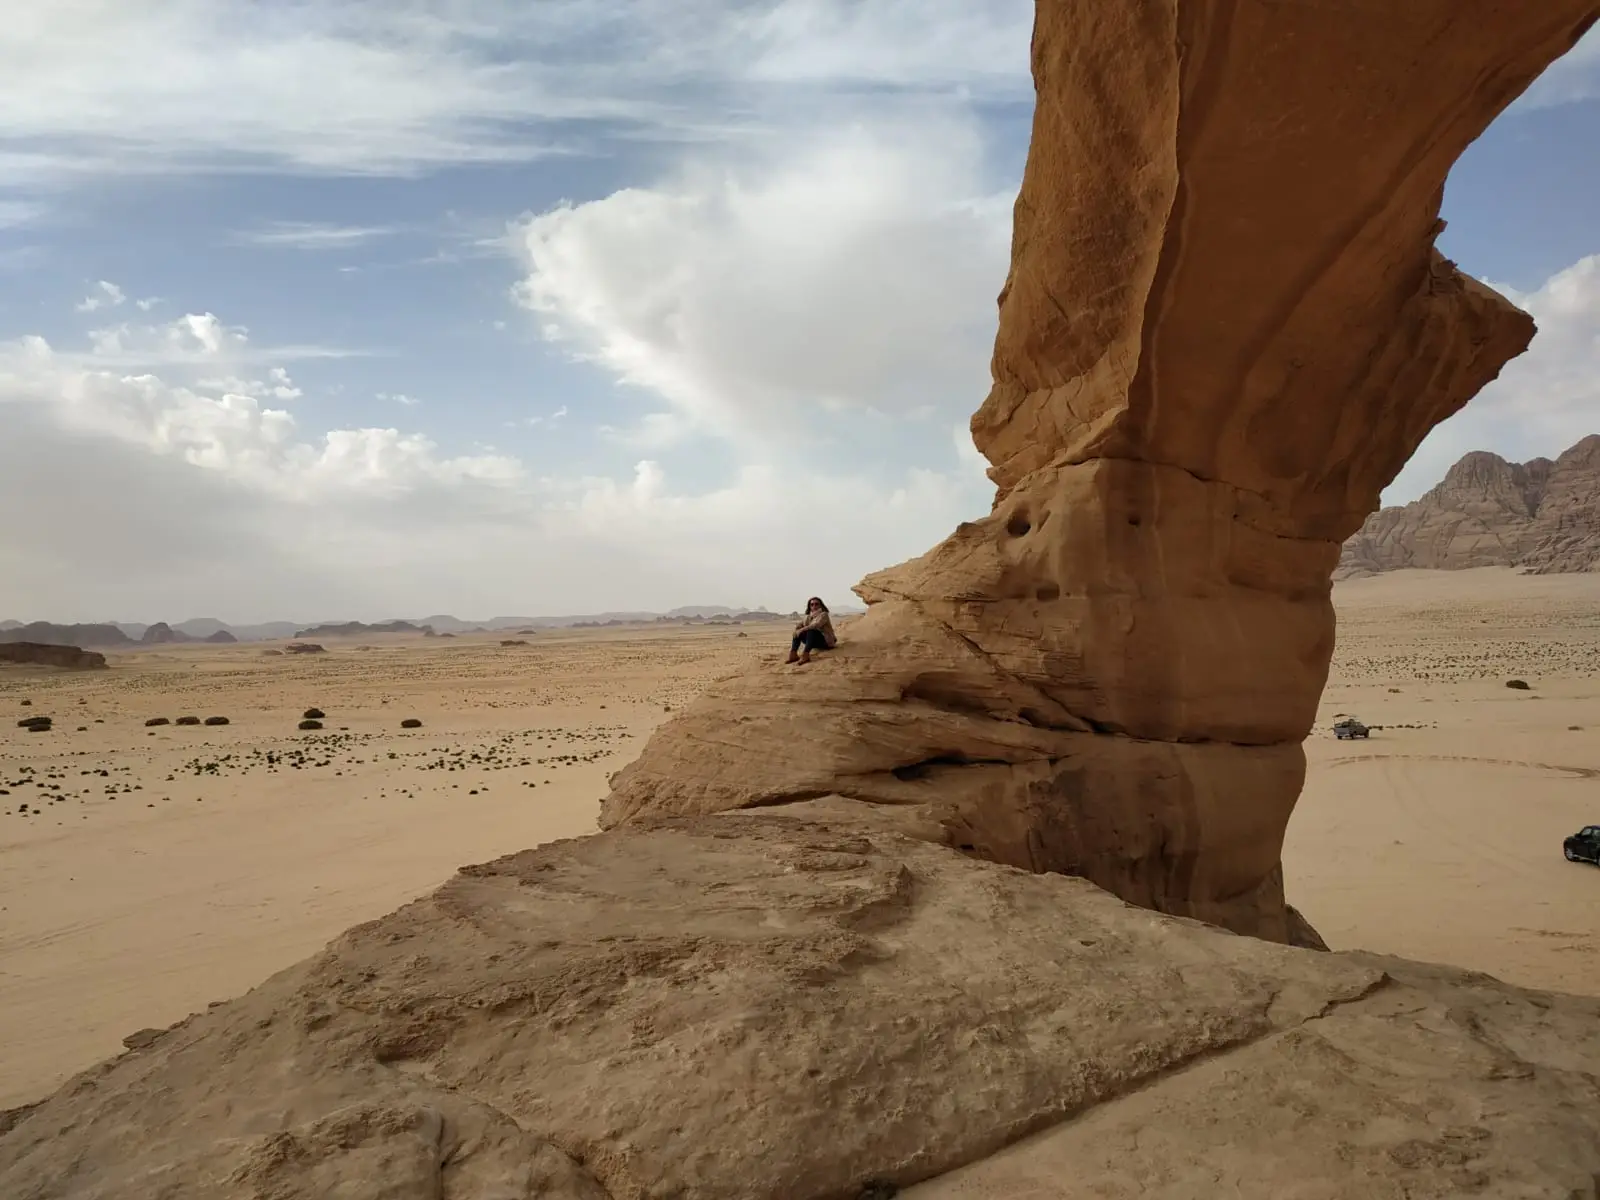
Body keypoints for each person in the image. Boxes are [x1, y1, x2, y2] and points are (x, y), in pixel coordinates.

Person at [787, 596, 837, 665]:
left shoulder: (823, 614)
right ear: (809, 606)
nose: (814, 606)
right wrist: (797, 629)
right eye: (812, 604)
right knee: (797, 633)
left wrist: (801, 630)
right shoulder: (809, 616)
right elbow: (801, 624)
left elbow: (816, 625)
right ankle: (793, 655)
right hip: (814, 641)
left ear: (821, 605)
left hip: (826, 642)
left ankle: (805, 655)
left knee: (811, 631)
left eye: (816, 604)